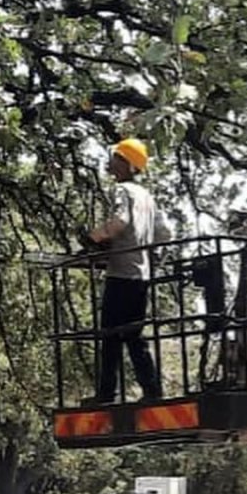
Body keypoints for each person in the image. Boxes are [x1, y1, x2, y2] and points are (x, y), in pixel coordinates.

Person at [88, 137, 172, 403]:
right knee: (134, 337)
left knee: (110, 336)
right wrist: (149, 254)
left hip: (121, 275)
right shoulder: (147, 196)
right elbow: (164, 233)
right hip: (141, 277)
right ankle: (152, 390)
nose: (110, 162)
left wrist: (96, 237)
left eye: (115, 157)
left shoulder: (122, 190)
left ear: (125, 163)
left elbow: (120, 221)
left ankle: (106, 394)